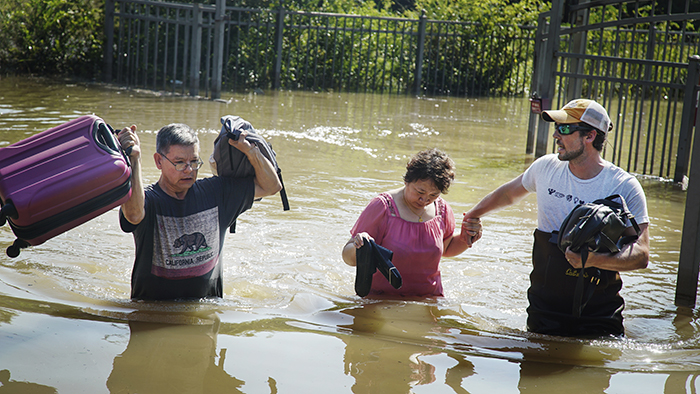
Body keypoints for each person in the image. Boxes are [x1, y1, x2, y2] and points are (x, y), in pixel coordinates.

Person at [463, 98, 650, 337]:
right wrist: (473, 215)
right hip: (544, 309)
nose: (555, 136)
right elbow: (509, 194)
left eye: (563, 129)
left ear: (590, 136)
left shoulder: (624, 186)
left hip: (599, 315)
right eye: (556, 128)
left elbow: (641, 255)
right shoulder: (546, 168)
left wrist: (592, 259)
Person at [117, 123, 282, 300]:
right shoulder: (147, 200)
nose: (189, 170)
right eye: (179, 163)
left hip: (207, 314)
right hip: (151, 313)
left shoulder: (218, 193)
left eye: (194, 162)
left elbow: (271, 187)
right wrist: (134, 160)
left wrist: (251, 151)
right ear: (158, 161)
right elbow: (134, 215)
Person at [342, 148, 482, 297]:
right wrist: (360, 247)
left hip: (429, 299)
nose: (425, 200)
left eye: (434, 195)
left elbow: (446, 249)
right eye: (420, 192)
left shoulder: (442, 210)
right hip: (380, 299)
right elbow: (347, 256)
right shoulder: (382, 207)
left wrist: (466, 237)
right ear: (406, 181)